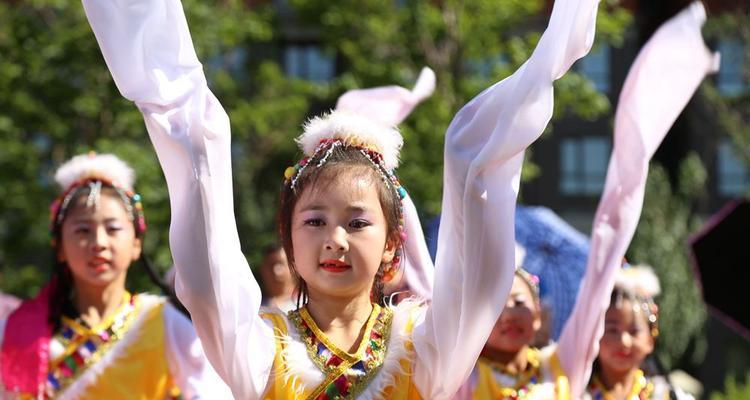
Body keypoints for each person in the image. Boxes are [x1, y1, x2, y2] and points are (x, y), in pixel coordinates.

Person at [81, 0, 601, 397]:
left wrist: (543, 67)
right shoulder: (260, 350)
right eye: (314, 221)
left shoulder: (427, 347)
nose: (334, 239)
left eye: (357, 223)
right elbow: (205, 261)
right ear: (287, 239)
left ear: (394, 246)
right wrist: (186, 123)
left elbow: (479, 233)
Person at [453, 1, 719, 398]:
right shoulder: (459, 375)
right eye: (499, 303)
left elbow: (598, 276)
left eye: (520, 303)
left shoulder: (563, 364)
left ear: (540, 314)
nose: (510, 314)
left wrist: (631, 168)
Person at [0, 153, 231, 399]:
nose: (98, 243)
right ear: (59, 247)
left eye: (112, 229)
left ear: (136, 243)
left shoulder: (163, 322)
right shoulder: (18, 329)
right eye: (83, 230)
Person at [584, 265, 694, 400]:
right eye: (612, 330)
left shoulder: (667, 396)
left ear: (650, 339)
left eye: (634, 331)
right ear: (595, 335)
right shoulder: (569, 390)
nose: (624, 341)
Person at [258, 243, 296, 312]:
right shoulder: (254, 307)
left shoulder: (309, 303)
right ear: (262, 269)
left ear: (293, 266)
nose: (276, 271)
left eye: (281, 264)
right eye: (270, 265)